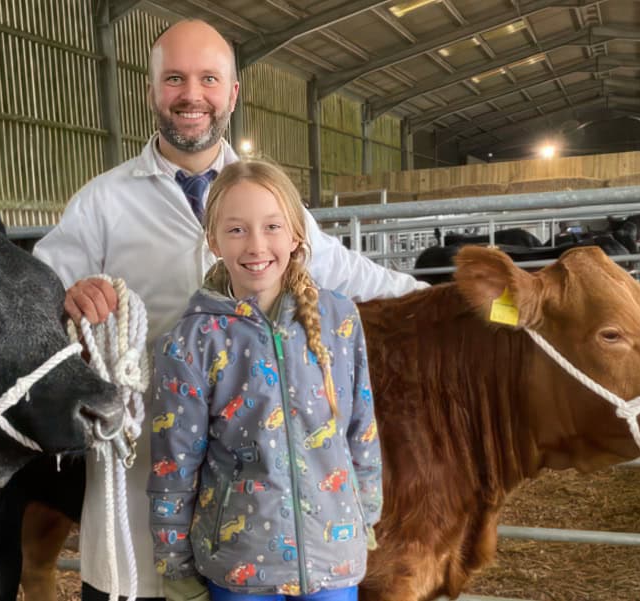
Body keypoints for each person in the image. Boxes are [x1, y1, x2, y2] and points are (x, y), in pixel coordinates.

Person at [32, 19, 423, 601]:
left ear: (232, 93)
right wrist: (67, 298)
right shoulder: (101, 202)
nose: (192, 95)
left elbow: (357, 276)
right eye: (175, 79)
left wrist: (460, 299)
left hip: (255, 532)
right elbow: (35, 292)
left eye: (209, 78)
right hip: (144, 499)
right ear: (152, 90)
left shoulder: (269, 196)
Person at [148, 160, 381, 601]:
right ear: (213, 240)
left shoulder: (340, 319)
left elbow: (361, 428)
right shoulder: (191, 342)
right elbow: (174, 461)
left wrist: (364, 514)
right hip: (239, 567)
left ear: (295, 235)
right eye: (236, 230)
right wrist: (173, 561)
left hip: (333, 558)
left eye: (272, 226)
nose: (256, 245)